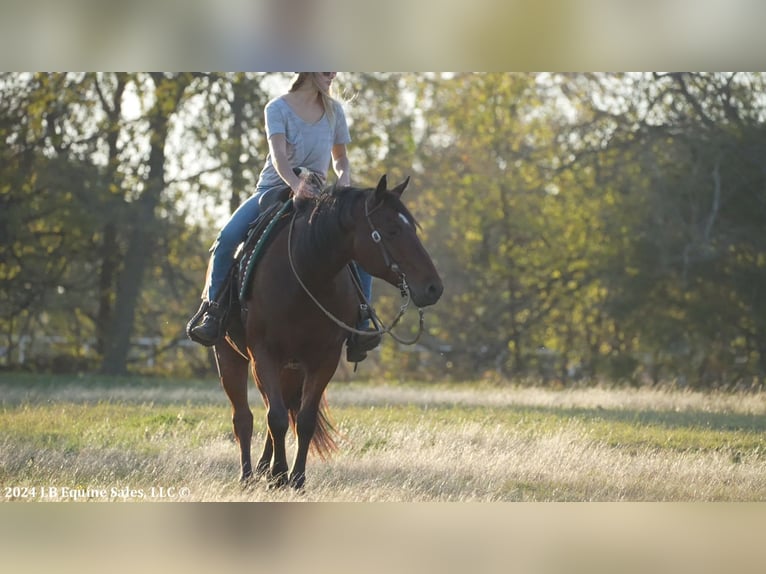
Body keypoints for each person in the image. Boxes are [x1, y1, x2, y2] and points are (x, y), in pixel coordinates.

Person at [189, 72, 380, 361]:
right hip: (274, 188)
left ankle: (361, 321)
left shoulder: (334, 110)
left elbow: (340, 157)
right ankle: (213, 312)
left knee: (359, 241)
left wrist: (344, 179)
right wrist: (295, 185)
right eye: (326, 69)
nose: (333, 75)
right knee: (227, 238)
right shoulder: (276, 108)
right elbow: (278, 156)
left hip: (318, 191)